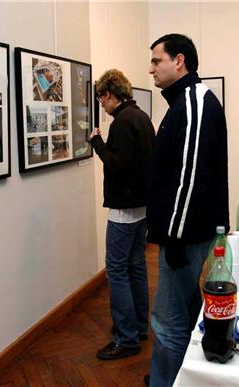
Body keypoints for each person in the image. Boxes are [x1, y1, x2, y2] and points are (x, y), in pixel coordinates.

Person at [145, 34, 229, 387]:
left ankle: (166, 382)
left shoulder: (194, 101)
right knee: (184, 310)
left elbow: (190, 176)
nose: (150, 68)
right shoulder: (183, 101)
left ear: (179, 60)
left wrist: (175, 235)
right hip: (186, 230)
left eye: (156, 60)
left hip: (185, 233)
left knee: (167, 320)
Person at [89, 69, 156, 360]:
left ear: (109, 94)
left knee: (116, 271)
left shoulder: (121, 123)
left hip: (124, 210)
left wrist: (97, 143)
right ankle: (140, 328)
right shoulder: (141, 117)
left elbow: (118, 166)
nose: (101, 105)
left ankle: (126, 338)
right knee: (136, 265)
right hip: (142, 207)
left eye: (101, 99)